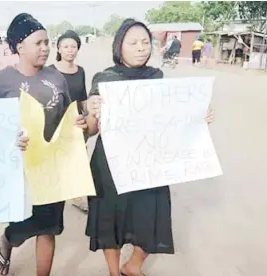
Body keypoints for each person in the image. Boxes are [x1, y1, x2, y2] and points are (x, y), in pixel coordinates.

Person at [85, 19, 215, 276]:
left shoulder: (157, 77)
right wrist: (91, 110)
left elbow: (168, 119)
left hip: (149, 162)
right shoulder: (104, 80)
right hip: (110, 165)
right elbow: (91, 130)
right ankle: (114, 272)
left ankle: (133, 265)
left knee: (151, 216)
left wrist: (196, 117)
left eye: (145, 42)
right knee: (110, 220)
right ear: (119, 46)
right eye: (133, 43)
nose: (141, 48)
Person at [0, 13, 88, 276]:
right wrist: (8, 140)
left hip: (53, 166)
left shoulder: (56, 77)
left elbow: (66, 118)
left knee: (49, 227)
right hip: (19, 169)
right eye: (38, 43)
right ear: (19, 46)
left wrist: (78, 123)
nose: (45, 48)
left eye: (47, 42)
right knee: (23, 224)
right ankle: (8, 239)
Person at [49, 30, 89, 214]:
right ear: (58, 48)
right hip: (56, 123)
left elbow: (83, 98)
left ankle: (78, 197)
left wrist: (88, 118)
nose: (70, 50)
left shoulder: (80, 71)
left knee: (78, 159)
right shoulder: (50, 71)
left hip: (77, 122)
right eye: (65, 46)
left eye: (73, 46)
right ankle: (53, 192)